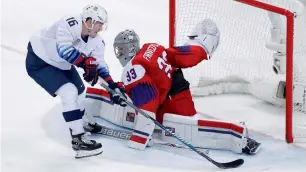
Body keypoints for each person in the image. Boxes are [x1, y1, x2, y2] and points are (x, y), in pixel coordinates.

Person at [85, 19, 261, 155]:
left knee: (189, 128)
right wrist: (201, 48)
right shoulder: (150, 48)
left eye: (121, 50)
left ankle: (238, 137)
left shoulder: (132, 68)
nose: (119, 54)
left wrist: (140, 138)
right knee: (188, 119)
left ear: (129, 48)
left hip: (172, 104)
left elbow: (148, 100)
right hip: (180, 90)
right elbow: (178, 57)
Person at [25, 4, 125, 158]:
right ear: (89, 21)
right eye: (99, 24)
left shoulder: (97, 41)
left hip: (61, 63)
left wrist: (112, 86)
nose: (100, 28)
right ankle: (78, 140)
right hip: (39, 60)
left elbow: (100, 65)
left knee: (80, 91)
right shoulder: (70, 22)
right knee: (69, 91)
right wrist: (85, 63)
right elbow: (64, 50)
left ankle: (81, 123)